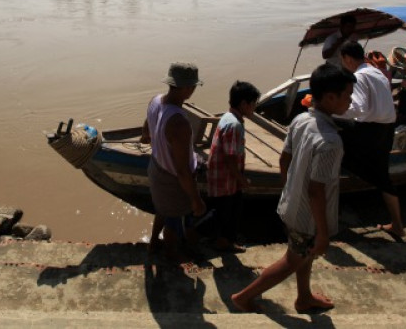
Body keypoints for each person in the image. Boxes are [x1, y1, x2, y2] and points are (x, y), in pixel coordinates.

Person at [231, 64, 355, 313]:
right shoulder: (330, 142)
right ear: (330, 98)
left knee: (303, 255)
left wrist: (290, 189)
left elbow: (284, 160)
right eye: (347, 95)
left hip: (290, 205)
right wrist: (323, 233)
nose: (350, 101)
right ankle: (243, 297)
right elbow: (316, 191)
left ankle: (304, 297)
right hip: (308, 217)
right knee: (292, 260)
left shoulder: (300, 120)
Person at [336, 41, 405, 237]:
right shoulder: (377, 72)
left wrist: (331, 110)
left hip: (369, 131)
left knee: (328, 123)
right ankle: (398, 224)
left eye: (343, 60)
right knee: (383, 177)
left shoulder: (358, 77)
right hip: (386, 130)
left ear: (348, 59)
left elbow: (357, 108)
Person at [141, 62, 207, 259]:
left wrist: (148, 136)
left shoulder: (155, 100)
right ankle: (170, 256)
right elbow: (182, 171)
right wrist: (196, 200)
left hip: (156, 167)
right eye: (193, 86)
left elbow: (145, 130)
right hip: (172, 179)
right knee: (174, 218)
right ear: (187, 88)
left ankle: (153, 243)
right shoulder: (179, 123)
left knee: (163, 209)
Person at [206, 80, 261, 253]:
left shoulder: (227, 117)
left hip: (222, 177)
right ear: (244, 104)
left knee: (226, 211)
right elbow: (230, 159)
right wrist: (242, 180)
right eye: (253, 104)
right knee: (229, 213)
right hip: (226, 180)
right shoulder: (234, 125)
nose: (254, 108)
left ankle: (223, 240)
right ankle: (224, 243)